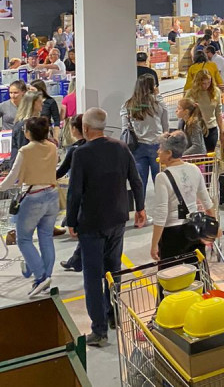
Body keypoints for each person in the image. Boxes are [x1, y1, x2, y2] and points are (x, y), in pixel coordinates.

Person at [68, 107, 146, 346]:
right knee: (114, 271)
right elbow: (136, 180)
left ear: (85, 128)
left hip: (92, 222)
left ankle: (99, 330)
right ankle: (114, 314)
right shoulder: (121, 147)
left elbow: (75, 191)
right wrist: (140, 208)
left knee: (92, 277)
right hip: (118, 218)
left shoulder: (81, 154)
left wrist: (71, 221)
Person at [0, 116, 59, 297]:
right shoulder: (53, 146)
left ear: (28, 133)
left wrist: (1, 187)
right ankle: (45, 277)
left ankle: (40, 276)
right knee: (46, 237)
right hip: (52, 195)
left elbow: (13, 176)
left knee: (24, 239)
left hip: (33, 197)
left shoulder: (25, 150)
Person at [150, 131, 217, 261]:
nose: (158, 152)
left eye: (161, 148)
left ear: (169, 153)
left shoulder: (162, 177)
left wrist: (154, 244)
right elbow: (207, 202)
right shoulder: (194, 169)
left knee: (172, 272)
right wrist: (212, 230)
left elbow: (161, 213)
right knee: (197, 270)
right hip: (194, 229)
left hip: (172, 232)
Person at [121, 75, 169, 192]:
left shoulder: (128, 105)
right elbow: (165, 125)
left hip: (137, 146)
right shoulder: (158, 103)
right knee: (160, 182)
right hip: (157, 145)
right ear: (153, 86)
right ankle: (161, 203)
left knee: (140, 183)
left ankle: (140, 204)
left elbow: (125, 129)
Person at [58, 114, 85, 272]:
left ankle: (76, 260)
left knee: (86, 233)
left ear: (74, 129)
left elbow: (61, 171)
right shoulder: (102, 147)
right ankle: (76, 260)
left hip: (82, 198)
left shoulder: (75, 150)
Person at [185, 70, 224, 152]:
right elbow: (185, 113)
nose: (206, 85)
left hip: (211, 129)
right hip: (196, 130)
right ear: (198, 82)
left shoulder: (216, 92)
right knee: (196, 156)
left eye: (209, 82)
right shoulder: (190, 93)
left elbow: (218, 113)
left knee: (210, 155)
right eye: (203, 83)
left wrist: (222, 131)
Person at [11, 91, 43, 163]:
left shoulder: (37, 122)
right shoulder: (22, 125)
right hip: (24, 164)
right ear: (32, 103)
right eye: (39, 101)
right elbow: (23, 149)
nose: (42, 104)